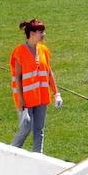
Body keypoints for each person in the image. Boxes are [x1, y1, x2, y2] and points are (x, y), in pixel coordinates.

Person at [10, 18, 62, 153]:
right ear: (32, 33)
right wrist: (21, 101)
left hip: (41, 98)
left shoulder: (44, 50)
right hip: (26, 100)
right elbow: (18, 78)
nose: (43, 34)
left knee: (39, 129)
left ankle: (38, 157)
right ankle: (11, 152)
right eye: (41, 31)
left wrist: (56, 93)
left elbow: (49, 72)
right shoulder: (19, 52)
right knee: (25, 128)